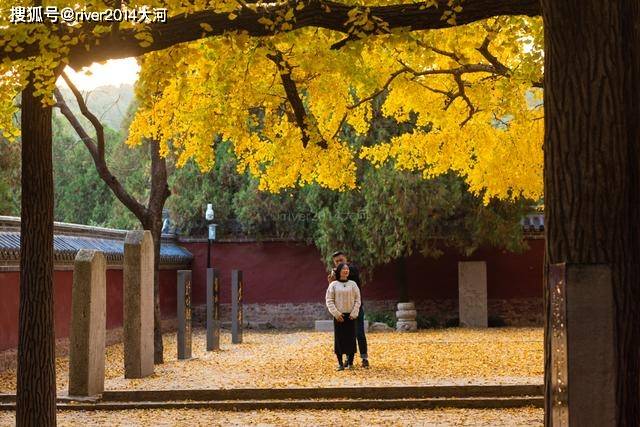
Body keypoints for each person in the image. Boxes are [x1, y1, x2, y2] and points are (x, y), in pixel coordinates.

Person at [327, 251, 369, 367]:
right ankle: (347, 359)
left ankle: (364, 358)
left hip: (356, 307)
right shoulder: (336, 276)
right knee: (345, 334)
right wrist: (331, 282)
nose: (339, 263)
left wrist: (336, 273)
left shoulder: (352, 270)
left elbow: (349, 274)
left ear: (346, 259)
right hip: (342, 310)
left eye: (341, 260)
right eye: (337, 261)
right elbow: (332, 294)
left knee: (359, 333)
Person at [325, 263, 361, 370]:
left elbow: (357, 299)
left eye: (347, 269)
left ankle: (350, 363)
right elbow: (329, 300)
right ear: (339, 271)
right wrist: (336, 313)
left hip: (351, 316)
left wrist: (354, 313)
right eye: (344, 269)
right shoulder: (333, 285)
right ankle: (340, 364)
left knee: (351, 339)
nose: (346, 271)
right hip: (339, 317)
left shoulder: (353, 284)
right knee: (339, 340)